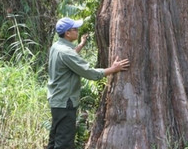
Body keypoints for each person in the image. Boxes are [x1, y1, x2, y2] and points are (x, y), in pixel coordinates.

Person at [47, 17, 130, 149]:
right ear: (67, 33)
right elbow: (90, 73)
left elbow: (68, 58)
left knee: (54, 139)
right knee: (64, 142)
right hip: (65, 102)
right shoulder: (66, 53)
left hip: (57, 100)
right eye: (75, 29)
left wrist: (80, 45)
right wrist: (113, 69)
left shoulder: (57, 47)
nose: (78, 31)